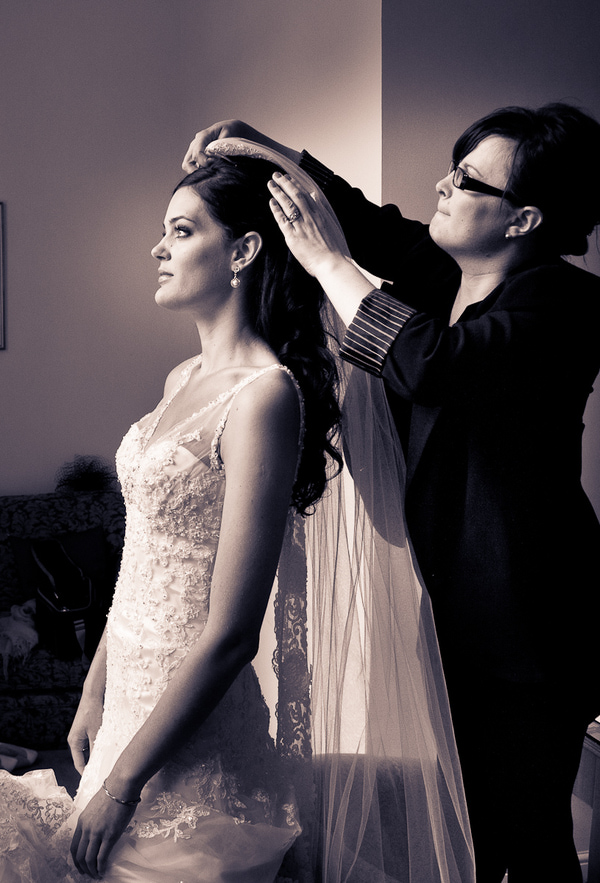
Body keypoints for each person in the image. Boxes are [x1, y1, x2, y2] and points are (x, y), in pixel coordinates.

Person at [184, 104, 600, 883]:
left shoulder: (566, 306)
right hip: (455, 615)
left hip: (538, 627)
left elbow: (432, 366)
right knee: (491, 829)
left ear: (524, 220)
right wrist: (265, 148)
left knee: (522, 833)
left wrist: (327, 264)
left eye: (468, 179)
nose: (444, 184)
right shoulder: (450, 277)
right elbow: (361, 220)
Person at [0, 151, 342, 882]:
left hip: (195, 745)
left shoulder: (264, 395)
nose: (158, 248)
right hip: (126, 710)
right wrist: (95, 688)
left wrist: (125, 784)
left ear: (243, 252)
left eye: (182, 231)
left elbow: (232, 633)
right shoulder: (182, 377)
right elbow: (143, 561)